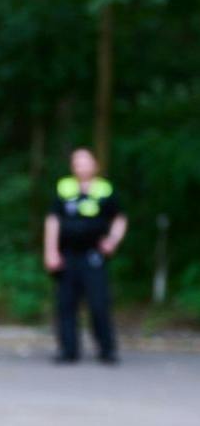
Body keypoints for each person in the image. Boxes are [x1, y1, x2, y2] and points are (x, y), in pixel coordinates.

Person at [45, 147, 126, 365]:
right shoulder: (64, 188)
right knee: (66, 304)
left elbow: (119, 218)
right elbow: (53, 220)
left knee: (99, 303)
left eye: (85, 161)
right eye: (76, 162)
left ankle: (106, 349)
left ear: (95, 165)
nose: (80, 166)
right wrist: (51, 251)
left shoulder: (104, 189)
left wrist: (112, 241)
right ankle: (68, 350)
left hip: (94, 255)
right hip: (68, 254)